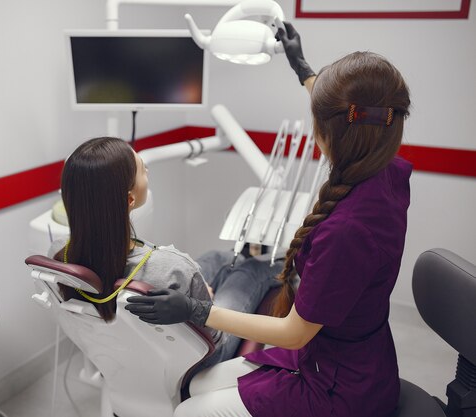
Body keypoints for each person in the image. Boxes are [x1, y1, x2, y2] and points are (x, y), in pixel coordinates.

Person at [126, 21, 412, 417]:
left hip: (338, 387)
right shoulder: (388, 168)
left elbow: (293, 333)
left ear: (329, 132)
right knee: (195, 385)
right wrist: (302, 69)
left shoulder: (347, 231)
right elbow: (350, 116)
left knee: (187, 411)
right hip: (339, 356)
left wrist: (195, 309)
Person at [48, 136, 283, 375]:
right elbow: (213, 335)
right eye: (142, 169)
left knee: (215, 258)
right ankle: (273, 267)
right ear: (130, 199)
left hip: (130, 353)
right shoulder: (172, 266)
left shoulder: (59, 255)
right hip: (202, 357)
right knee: (251, 270)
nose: (147, 169)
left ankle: (233, 266)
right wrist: (201, 301)